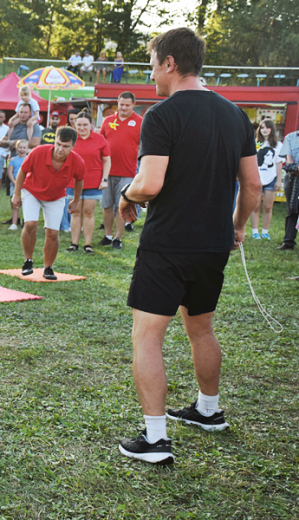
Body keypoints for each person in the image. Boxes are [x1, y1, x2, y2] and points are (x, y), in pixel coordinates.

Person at [116, 28, 261, 465]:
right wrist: (236, 228)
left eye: (152, 64)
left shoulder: (161, 115)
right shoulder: (236, 114)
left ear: (170, 63)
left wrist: (126, 197)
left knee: (148, 336)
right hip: (213, 244)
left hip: (168, 245)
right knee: (201, 328)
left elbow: (150, 183)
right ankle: (208, 411)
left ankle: (156, 440)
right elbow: (252, 185)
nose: (151, 75)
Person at [11, 127, 84, 280]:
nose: (60, 149)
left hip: (56, 196)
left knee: (52, 232)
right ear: (54, 140)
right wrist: (16, 194)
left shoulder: (77, 161)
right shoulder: (38, 152)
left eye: (65, 146)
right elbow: (22, 171)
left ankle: (48, 267)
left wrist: (76, 200)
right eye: (58, 144)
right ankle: (28, 261)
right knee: (30, 224)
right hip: (32, 191)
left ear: (73, 146)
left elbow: (79, 180)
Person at [100, 92, 142, 250]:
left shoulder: (140, 122)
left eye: (127, 105)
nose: (124, 108)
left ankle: (118, 237)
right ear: (117, 103)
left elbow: (144, 145)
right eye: (121, 104)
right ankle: (108, 235)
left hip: (127, 171)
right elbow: (100, 143)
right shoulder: (108, 120)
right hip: (106, 171)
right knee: (106, 205)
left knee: (121, 207)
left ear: (133, 105)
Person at [65, 112, 111, 253]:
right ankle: (74, 243)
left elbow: (107, 160)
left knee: (89, 212)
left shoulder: (99, 139)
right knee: (76, 212)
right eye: (79, 125)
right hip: (73, 181)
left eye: (85, 125)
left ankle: (87, 244)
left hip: (93, 181)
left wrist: (104, 179)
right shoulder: (70, 138)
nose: (82, 128)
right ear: (74, 124)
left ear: (91, 124)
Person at [250, 119, 283, 240]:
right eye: (262, 127)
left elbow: (279, 164)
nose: (264, 130)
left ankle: (265, 231)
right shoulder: (254, 143)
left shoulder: (278, 146)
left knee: (268, 207)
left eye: (267, 127)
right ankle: (254, 232)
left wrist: (279, 180)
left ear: (272, 129)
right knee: (255, 206)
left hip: (271, 179)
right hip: (257, 179)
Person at [277, 129, 299, 250]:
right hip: (293, 177)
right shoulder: (291, 137)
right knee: (292, 209)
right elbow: (290, 163)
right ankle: (288, 241)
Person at [5, 140, 29, 230]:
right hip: (14, 185)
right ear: (17, 148)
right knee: (15, 205)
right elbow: (9, 172)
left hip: (26, 186)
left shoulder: (28, 158)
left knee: (26, 205)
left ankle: (25, 222)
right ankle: (14, 223)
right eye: (20, 147)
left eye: (24, 148)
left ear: (27, 149)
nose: (22, 149)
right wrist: (15, 182)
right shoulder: (12, 159)